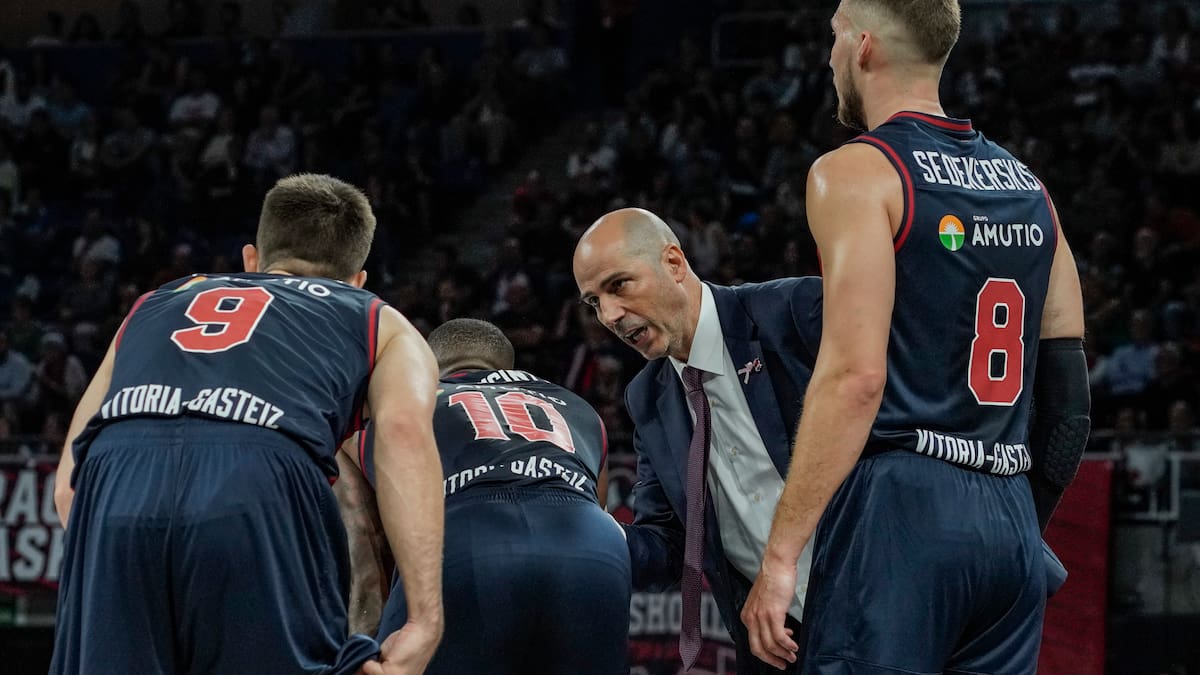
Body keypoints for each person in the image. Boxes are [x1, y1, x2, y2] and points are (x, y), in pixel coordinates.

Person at [738, 1, 1090, 673]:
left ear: (865, 45)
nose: (830, 54)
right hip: (1010, 511)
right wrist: (1019, 528)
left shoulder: (855, 172)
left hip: (903, 508)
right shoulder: (1031, 190)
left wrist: (781, 553)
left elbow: (855, 378)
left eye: (835, 37)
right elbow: (1070, 406)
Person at [50, 173, 445, 675]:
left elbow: (68, 488)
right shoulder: (378, 318)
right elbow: (404, 436)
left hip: (115, 479)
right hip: (258, 476)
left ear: (252, 259)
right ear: (357, 278)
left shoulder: (153, 305)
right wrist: (425, 618)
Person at [572, 207, 823, 675]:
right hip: (776, 645)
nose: (608, 315)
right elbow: (665, 545)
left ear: (673, 263)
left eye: (618, 285)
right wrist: (578, 531)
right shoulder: (647, 396)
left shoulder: (792, 314)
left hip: (875, 607)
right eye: (592, 302)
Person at [337, 318, 630, 675]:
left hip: (468, 538)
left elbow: (362, 533)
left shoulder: (403, 403)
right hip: (592, 546)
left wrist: (364, 639)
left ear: (429, 367)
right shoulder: (580, 408)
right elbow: (594, 501)